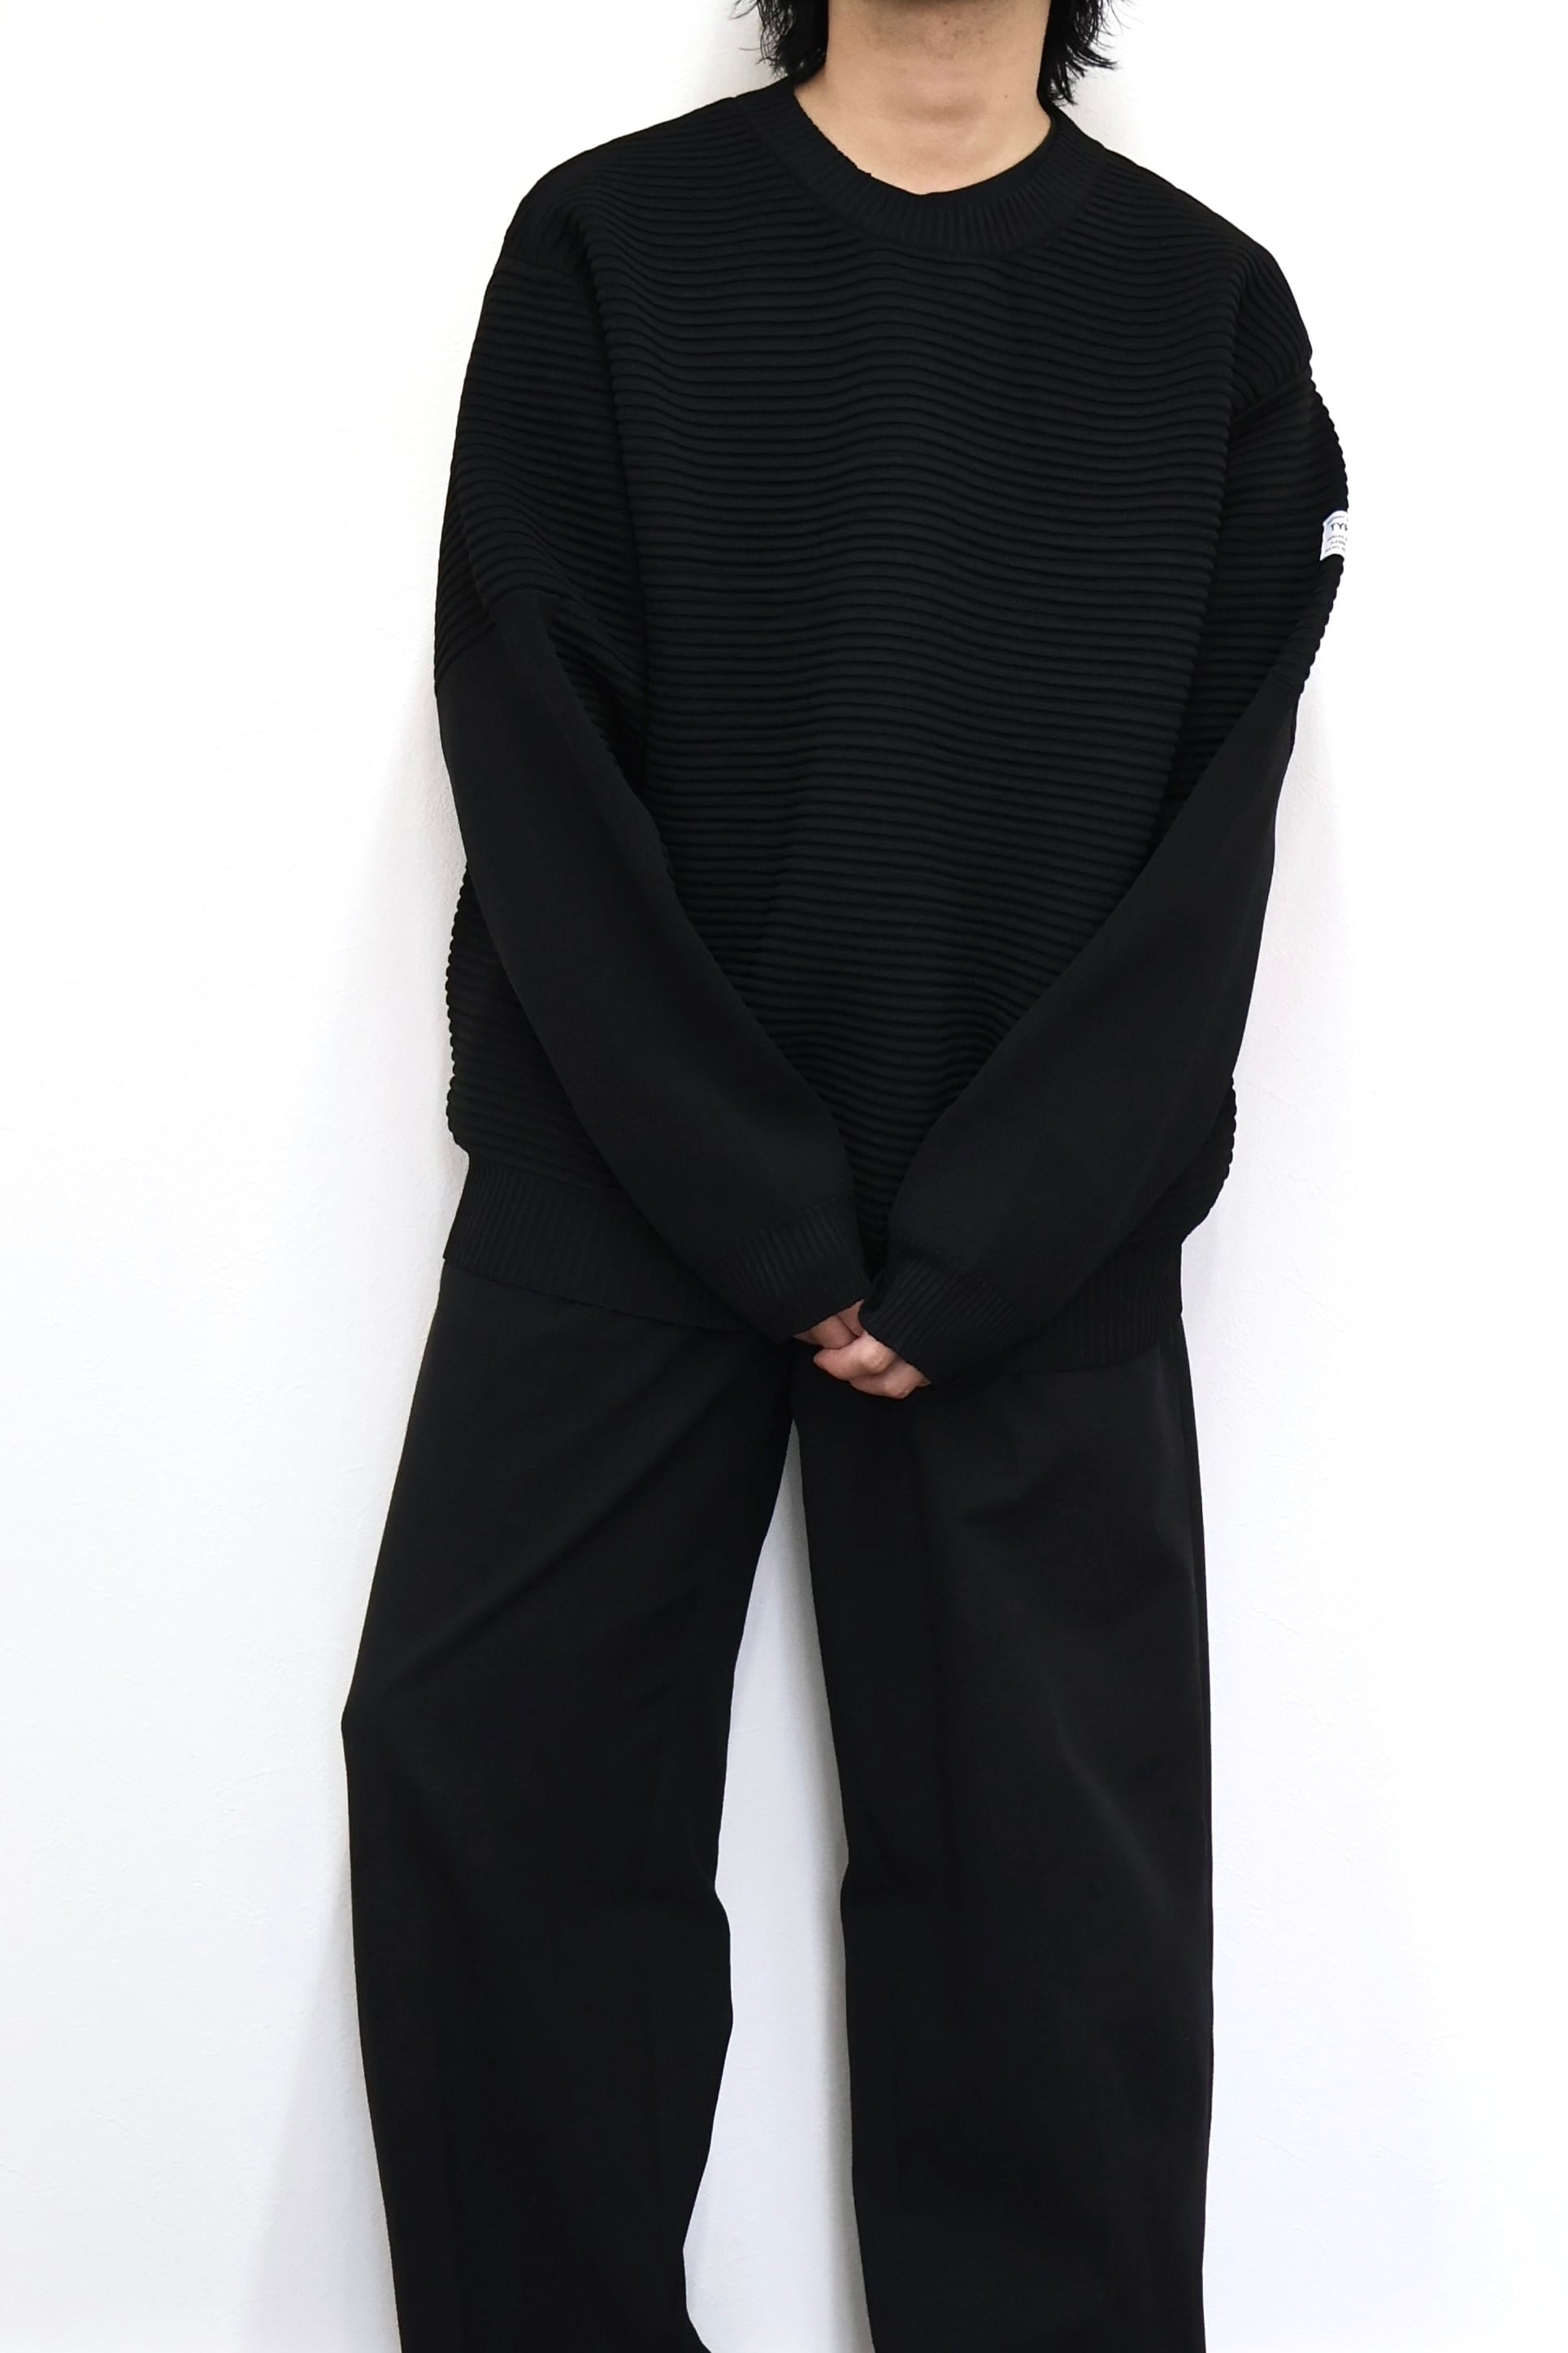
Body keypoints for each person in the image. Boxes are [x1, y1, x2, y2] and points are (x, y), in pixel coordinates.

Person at [339, 1, 1347, 2345]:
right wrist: (761, 1211)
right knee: (483, 1796)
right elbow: (526, 730)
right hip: (625, 1187)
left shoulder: (1205, 313)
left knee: (1054, 1932)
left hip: (1035, 1229)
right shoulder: (610, 250)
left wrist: (995, 1232)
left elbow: (1217, 837)